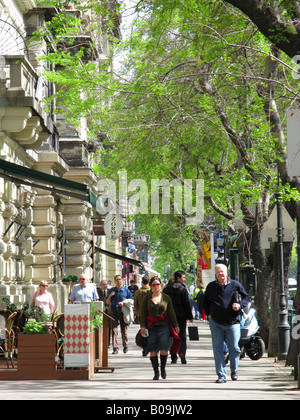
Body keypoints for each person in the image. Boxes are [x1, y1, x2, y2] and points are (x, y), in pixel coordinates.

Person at [203, 263, 250, 383]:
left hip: (233, 322)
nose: (220, 274)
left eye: (222, 271)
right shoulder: (211, 286)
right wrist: (209, 314)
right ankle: (221, 375)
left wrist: (239, 305)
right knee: (217, 348)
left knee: (234, 347)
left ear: (226, 272)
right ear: (215, 274)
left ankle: (234, 370)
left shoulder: (235, 284)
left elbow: (246, 297)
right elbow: (204, 302)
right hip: (216, 323)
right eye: (218, 272)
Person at [140, 276, 180, 380]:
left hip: (164, 326)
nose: (156, 286)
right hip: (151, 327)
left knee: (164, 349)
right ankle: (156, 372)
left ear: (161, 285)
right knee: (153, 350)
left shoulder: (166, 297)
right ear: (150, 286)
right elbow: (143, 313)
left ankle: (162, 369)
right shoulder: (146, 298)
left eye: (158, 284)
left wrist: (176, 325)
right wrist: (142, 326)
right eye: (153, 285)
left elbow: (171, 312)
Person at [163, 270, 193, 364]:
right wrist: (190, 316)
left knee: (171, 335)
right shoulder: (182, 289)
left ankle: (173, 356)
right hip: (181, 315)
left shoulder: (166, 289)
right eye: (183, 277)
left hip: (170, 316)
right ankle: (182, 352)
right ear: (178, 278)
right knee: (182, 335)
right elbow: (186, 304)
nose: (184, 279)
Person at [106, 275, 133, 354]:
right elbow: (107, 302)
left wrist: (124, 303)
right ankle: (115, 348)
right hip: (114, 312)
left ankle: (125, 346)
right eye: (117, 280)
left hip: (123, 312)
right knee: (114, 330)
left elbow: (131, 300)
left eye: (119, 279)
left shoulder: (126, 290)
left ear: (122, 281)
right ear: (114, 281)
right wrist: (110, 296)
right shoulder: (112, 290)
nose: (118, 281)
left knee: (123, 330)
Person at [134, 275, 150, 356]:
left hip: (141, 315)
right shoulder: (151, 290)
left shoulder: (138, 292)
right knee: (150, 330)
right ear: (149, 282)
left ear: (142, 282)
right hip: (151, 315)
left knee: (143, 331)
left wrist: (137, 313)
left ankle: (144, 348)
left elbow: (135, 304)